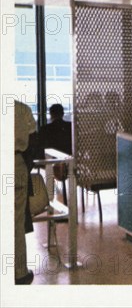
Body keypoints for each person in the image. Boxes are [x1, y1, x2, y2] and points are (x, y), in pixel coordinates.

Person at [14, 100, 37, 284]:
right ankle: (19, 272)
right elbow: (33, 143)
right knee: (16, 222)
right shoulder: (22, 109)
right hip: (16, 164)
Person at [39, 103, 72, 205]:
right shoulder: (70, 126)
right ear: (62, 114)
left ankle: (49, 200)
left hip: (52, 163)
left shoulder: (44, 129)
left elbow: (40, 148)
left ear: (51, 115)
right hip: (68, 163)